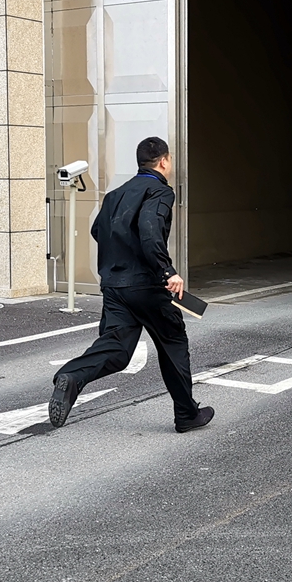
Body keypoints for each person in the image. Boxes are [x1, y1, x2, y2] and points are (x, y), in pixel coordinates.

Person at [49, 137, 213, 433]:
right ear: (163, 161)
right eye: (169, 160)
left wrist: (120, 259)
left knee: (117, 348)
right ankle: (187, 414)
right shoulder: (160, 191)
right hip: (146, 285)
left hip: (114, 285)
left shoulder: (115, 194)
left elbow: (98, 230)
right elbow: (150, 230)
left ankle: (72, 376)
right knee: (173, 342)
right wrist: (167, 271)